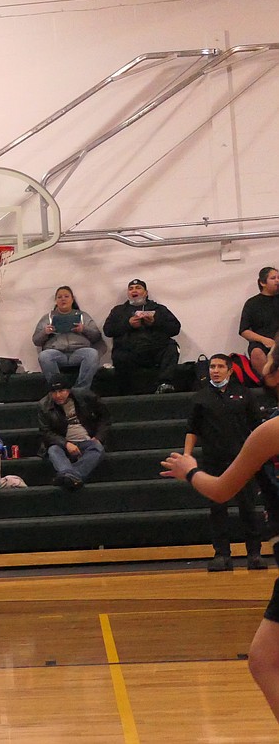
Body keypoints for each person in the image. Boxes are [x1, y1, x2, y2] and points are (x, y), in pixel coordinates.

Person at [161, 409, 279, 722]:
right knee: (263, 658)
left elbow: (222, 489)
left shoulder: (271, 430)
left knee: (264, 660)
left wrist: (190, 470)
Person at [182, 353, 267, 572]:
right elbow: (192, 429)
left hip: (243, 460)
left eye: (220, 366)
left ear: (230, 370)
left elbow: (257, 427)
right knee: (217, 509)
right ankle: (221, 554)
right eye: (212, 366)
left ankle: (254, 554)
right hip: (214, 461)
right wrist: (187, 455)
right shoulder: (200, 398)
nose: (215, 370)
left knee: (248, 507)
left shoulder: (244, 394)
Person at [102, 278, 182, 394]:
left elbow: (175, 328)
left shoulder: (159, 309)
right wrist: (128, 324)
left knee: (171, 347)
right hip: (130, 351)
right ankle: (126, 392)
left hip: (155, 350)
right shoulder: (118, 310)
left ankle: (165, 384)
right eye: (131, 288)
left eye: (138, 288)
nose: (134, 290)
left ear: (146, 292)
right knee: (120, 355)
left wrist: (155, 322)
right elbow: (108, 331)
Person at [37, 378, 111, 490]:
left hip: (87, 440)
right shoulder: (44, 405)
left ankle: (69, 475)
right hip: (61, 443)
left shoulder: (85, 397)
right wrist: (66, 444)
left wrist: (98, 437)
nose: (58, 395)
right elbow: (46, 432)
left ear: (69, 390)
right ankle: (73, 477)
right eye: (54, 392)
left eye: (61, 391)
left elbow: (105, 418)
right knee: (53, 450)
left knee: (97, 448)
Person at [31, 285, 104, 391]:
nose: (63, 299)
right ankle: (58, 388)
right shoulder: (48, 317)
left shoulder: (83, 316)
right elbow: (36, 340)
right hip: (56, 352)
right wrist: (45, 332)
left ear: (72, 299)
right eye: (59, 297)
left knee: (92, 354)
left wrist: (84, 329)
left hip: (79, 352)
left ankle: (80, 390)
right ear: (56, 300)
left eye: (66, 296)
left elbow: (97, 336)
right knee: (44, 356)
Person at [240, 266, 279, 375]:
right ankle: (269, 383)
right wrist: (264, 340)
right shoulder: (252, 303)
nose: (277, 281)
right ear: (263, 283)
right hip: (262, 343)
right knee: (257, 353)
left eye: (278, 278)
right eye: (273, 278)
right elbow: (244, 330)